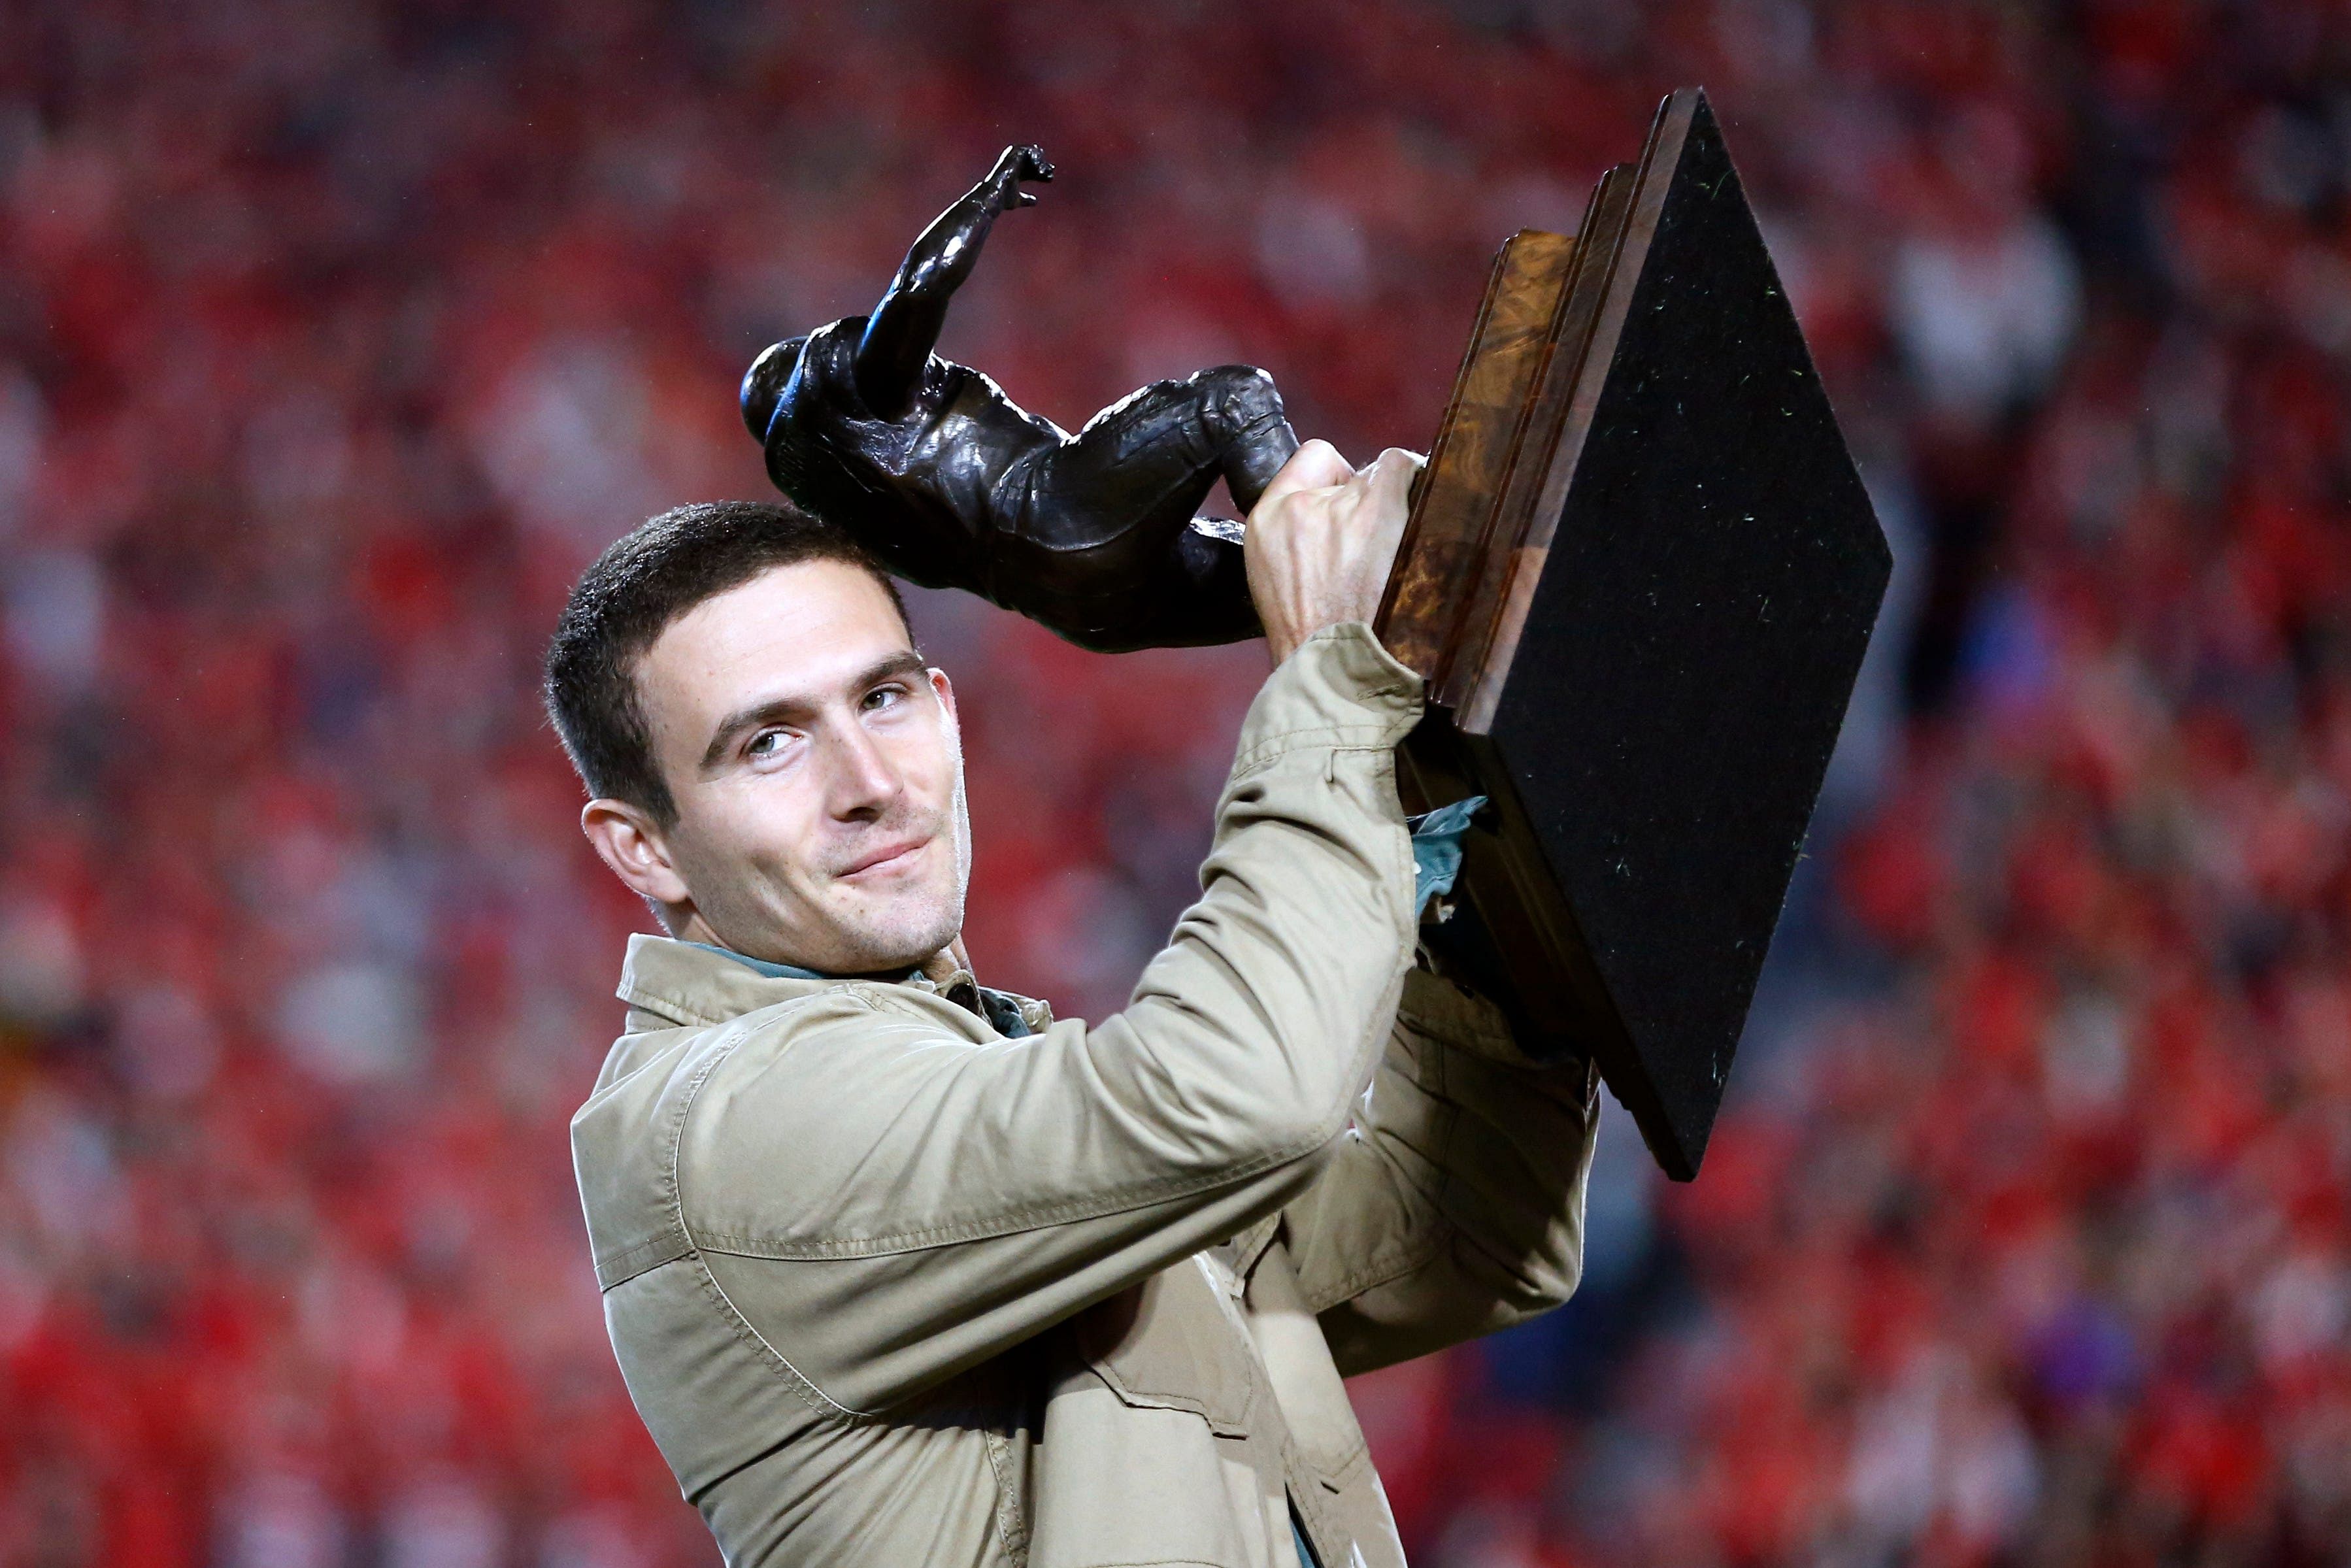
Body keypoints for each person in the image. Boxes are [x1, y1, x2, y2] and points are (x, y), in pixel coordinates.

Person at [544, 441, 1599, 1568]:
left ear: (944, 707)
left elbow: (1458, 1236)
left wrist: (1480, 868)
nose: (869, 783)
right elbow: (1246, 1094)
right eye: (770, 742)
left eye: (884, 696)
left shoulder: (980, 1072)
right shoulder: (727, 1126)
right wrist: (1332, 673)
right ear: (643, 846)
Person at [739, 144, 1297, 652]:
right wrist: (985, 199)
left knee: (1303, 595)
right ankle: (1327, 530)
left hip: (1077, 610)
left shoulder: (846, 506)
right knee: (1232, 402)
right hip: (1053, 511)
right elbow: (917, 290)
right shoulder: (849, 399)